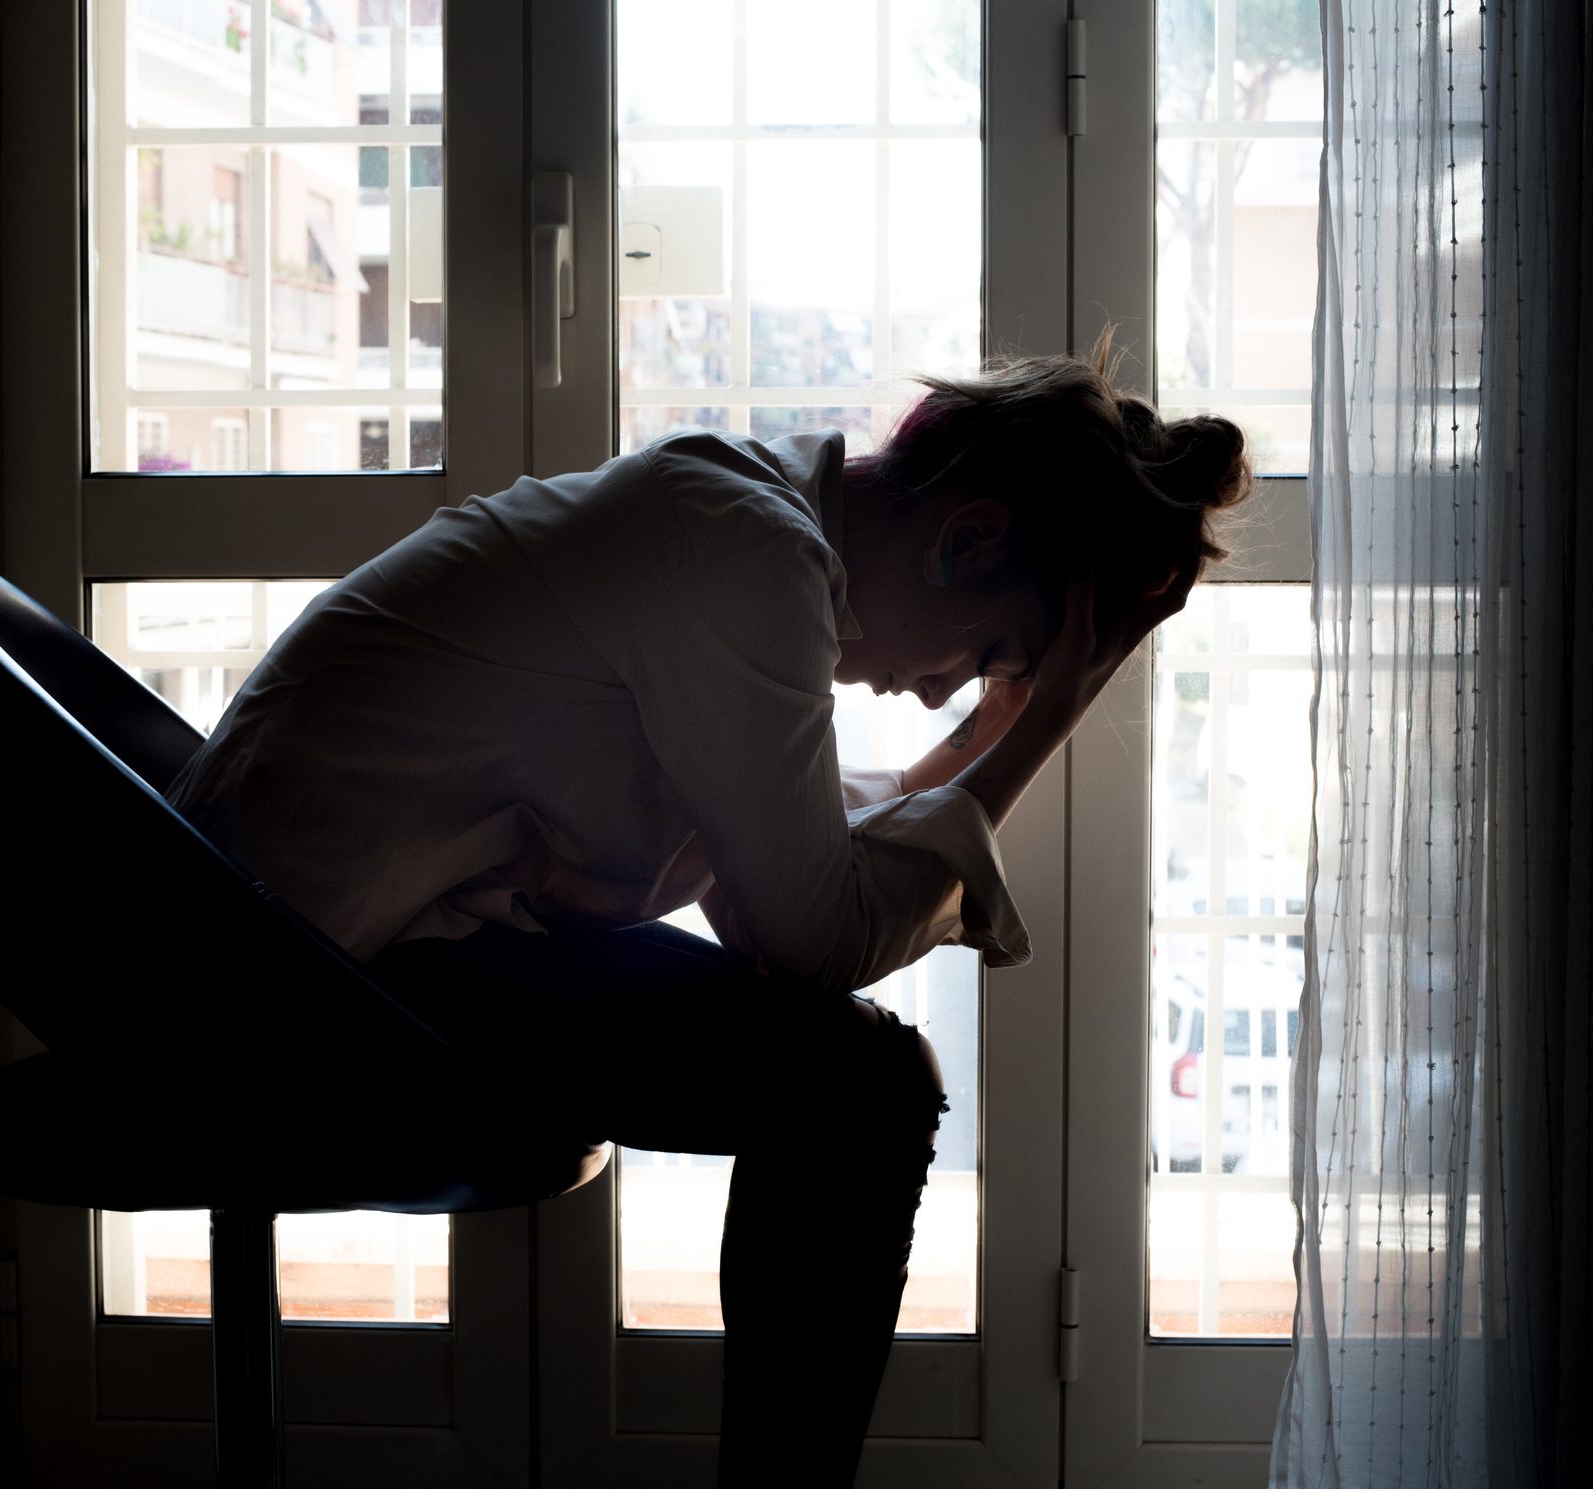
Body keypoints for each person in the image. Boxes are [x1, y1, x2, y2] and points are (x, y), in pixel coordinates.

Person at [166, 335, 1252, 1486]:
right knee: (864, 1087)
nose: (939, 688)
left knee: (859, 1078)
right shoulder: (747, 557)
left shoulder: (750, 524)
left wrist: (1023, 711)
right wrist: (1035, 721)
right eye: (983, 651)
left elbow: (799, 858)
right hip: (283, 979)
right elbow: (815, 930)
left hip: (354, 942)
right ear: (967, 535)